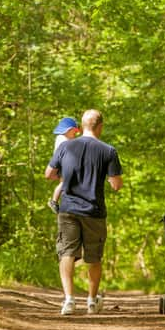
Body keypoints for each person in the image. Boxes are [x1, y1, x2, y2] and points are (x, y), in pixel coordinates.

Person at [45, 109, 123, 315]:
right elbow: (116, 184)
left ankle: (69, 300)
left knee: (67, 253)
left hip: (68, 208)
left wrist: (66, 176)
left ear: (82, 125)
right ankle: (91, 301)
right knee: (94, 257)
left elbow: (49, 174)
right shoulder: (108, 151)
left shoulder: (65, 146)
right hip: (94, 211)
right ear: (100, 127)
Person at [47, 117, 81, 214]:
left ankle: (62, 201)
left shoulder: (64, 138)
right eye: (74, 133)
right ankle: (54, 201)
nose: (74, 135)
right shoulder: (62, 139)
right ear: (68, 130)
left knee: (66, 184)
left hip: (64, 164)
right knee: (64, 183)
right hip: (62, 165)